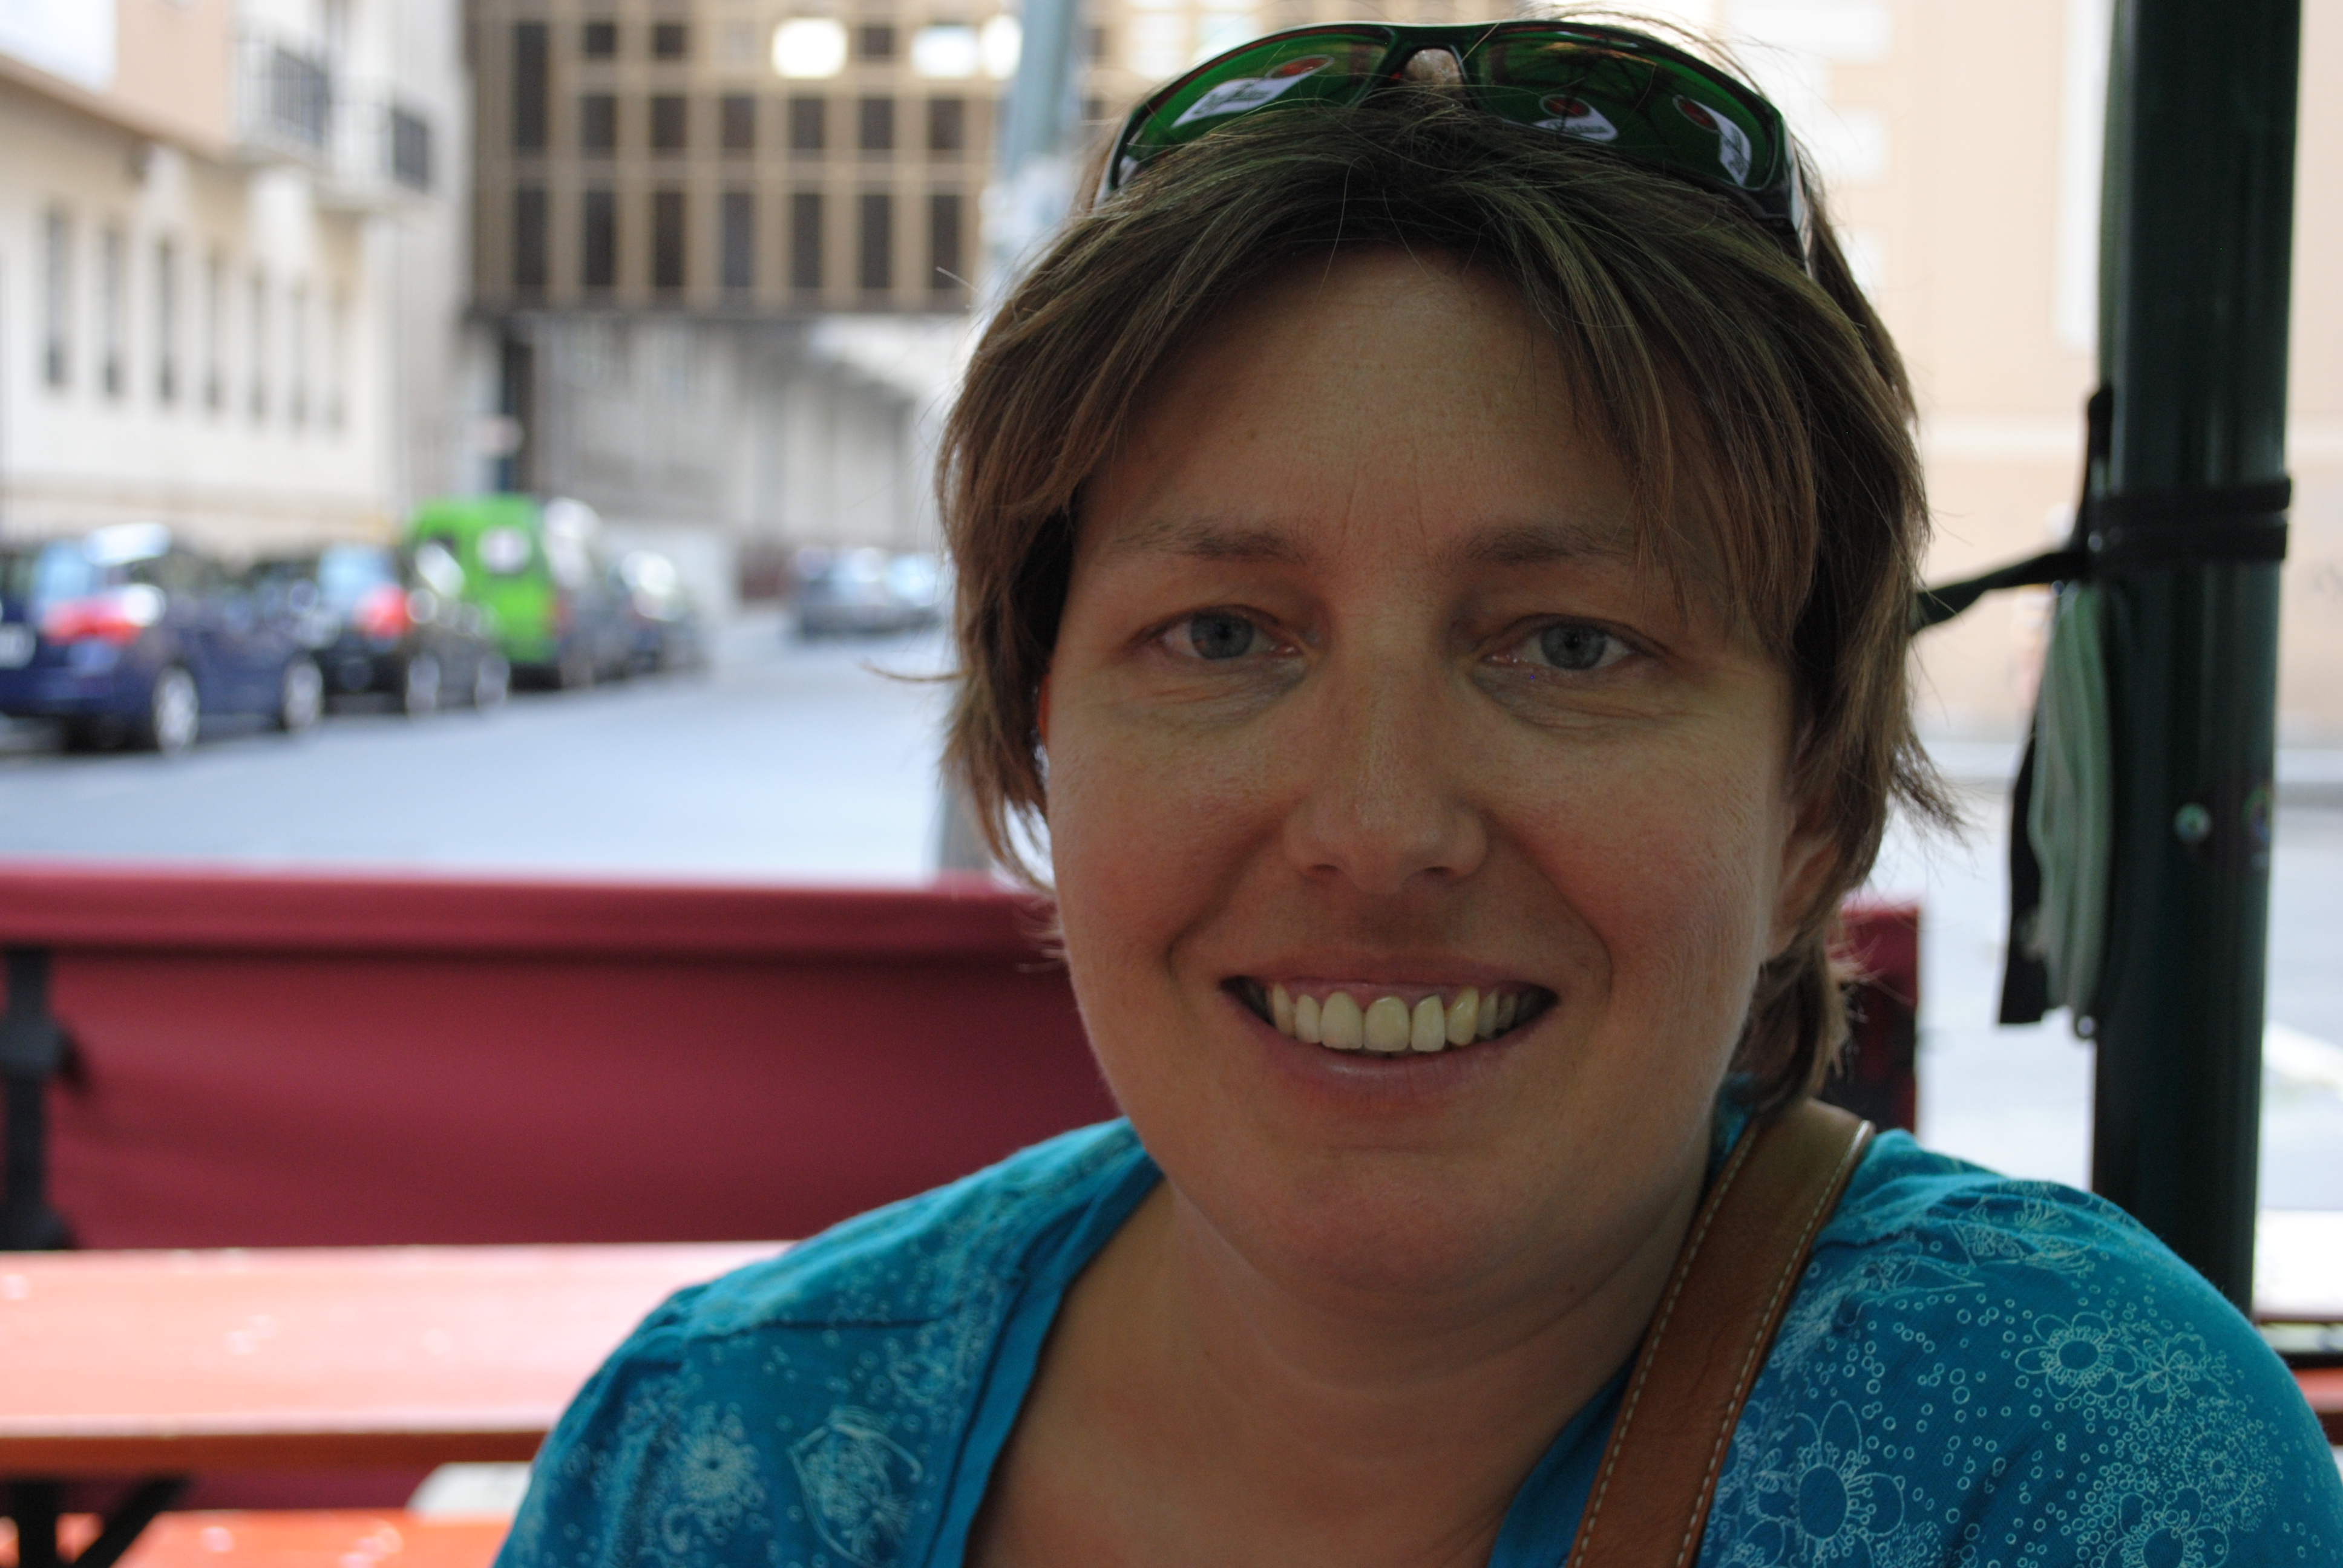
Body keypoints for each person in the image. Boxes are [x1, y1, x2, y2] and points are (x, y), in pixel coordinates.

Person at [498, 19, 2343, 1568]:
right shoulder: (717, 1456)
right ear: (1038, 736)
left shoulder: (2077, 1470)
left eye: (1571, 645)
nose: (1376, 832)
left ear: (1808, 807)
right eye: (1225, 634)